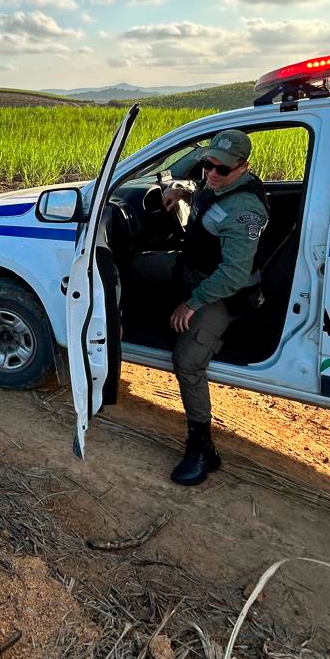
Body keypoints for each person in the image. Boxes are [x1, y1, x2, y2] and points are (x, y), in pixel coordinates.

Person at [128, 129, 269, 487]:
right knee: (129, 266)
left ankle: (202, 448)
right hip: (190, 269)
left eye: (220, 169)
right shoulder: (218, 185)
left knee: (187, 362)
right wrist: (179, 191)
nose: (211, 173)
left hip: (219, 291)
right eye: (207, 164)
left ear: (243, 167)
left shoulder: (246, 211)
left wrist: (191, 303)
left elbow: (234, 275)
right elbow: (206, 193)